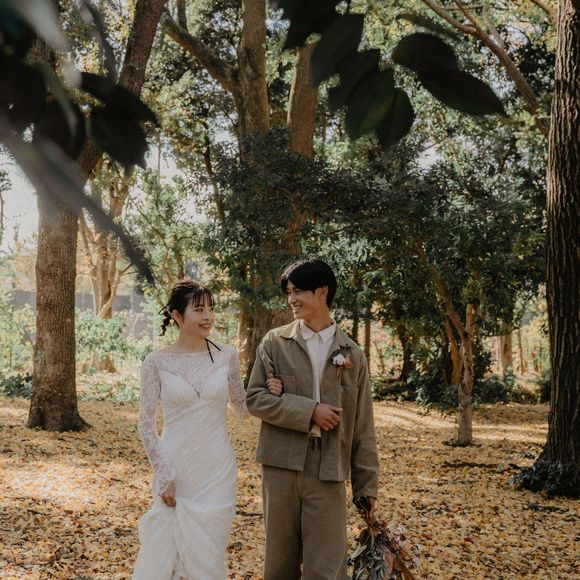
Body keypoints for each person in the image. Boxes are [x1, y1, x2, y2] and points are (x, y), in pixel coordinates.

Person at [246, 258, 380, 580]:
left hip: (329, 468)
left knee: (327, 568)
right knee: (279, 565)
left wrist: (366, 486)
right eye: (288, 292)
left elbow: (363, 426)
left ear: (322, 292)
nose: (291, 299)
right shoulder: (274, 343)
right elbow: (255, 398)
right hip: (280, 465)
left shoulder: (352, 354)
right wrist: (310, 411)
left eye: (298, 291)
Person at [132, 279, 247, 580]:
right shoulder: (156, 361)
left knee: (209, 553)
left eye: (211, 308)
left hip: (217, 469)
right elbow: (146, 425)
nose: (208, 316)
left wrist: (272, 390)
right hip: (176, 467)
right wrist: (164, 473)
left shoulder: (227, 355)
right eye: (199, 310)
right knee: (167, 550)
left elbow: (243, 407)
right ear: (177, 316)